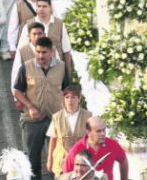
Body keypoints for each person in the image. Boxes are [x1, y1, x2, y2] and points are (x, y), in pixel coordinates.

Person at [13, 36, 71, 180]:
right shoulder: (26, 67)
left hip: (55, 120)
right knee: (32, 160)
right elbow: (17, 91)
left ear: (51, 51)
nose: (40, 55)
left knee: (56, 158)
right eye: (38, 52)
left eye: (44, 52)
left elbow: (67, 90)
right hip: (33, 121)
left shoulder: (62, 67)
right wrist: (29, 106)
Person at [16, 0, 72, 76]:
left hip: (56, 73)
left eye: (44, 6)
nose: (41, 9)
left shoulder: (59, 24)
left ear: (50, 8)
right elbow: (20, 53)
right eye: (39, 6)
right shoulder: (28, 25)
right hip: (34, 74)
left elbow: (66, 51)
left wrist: (68, 75)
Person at [47, 85, 92, 178]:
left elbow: (92, 139)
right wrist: (50, 160)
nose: (70, 100)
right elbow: (53, 139)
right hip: (62, 161)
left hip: (81, 161)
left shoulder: (88, 116)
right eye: (67, 97)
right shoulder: (56, 117)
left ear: (79, 99)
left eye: (73, 97)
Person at [62, 116, 129, 179]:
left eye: (104, 130)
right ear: (88, 132)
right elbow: (66, 174)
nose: (102, 134)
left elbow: (123, 160)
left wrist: (124, 178)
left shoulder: (112, 145)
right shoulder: (76, 149)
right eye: (98, 131)